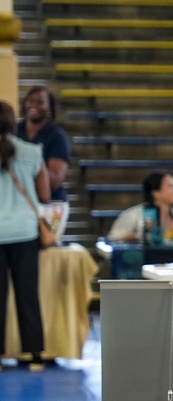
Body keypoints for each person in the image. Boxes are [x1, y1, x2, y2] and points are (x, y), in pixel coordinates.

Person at [0, 101, 51, 371]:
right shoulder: (31, 152)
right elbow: (44, 194)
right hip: (24, 232)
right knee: (27, 294)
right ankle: (35, 355)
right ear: (12, 123)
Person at [106, 171, 173, 245]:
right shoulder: (132, 215)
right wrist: (128, 239)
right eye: (170, 186)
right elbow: (112, 241)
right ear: (156, 193)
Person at [17, 86, 70, 202]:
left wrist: (30, 164)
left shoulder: (57, 137)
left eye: (40, 102)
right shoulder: (14, 130)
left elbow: (55, 181)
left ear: (50, 108)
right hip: (20, 201)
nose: (33, 105)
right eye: (30, 100)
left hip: (50, 204)